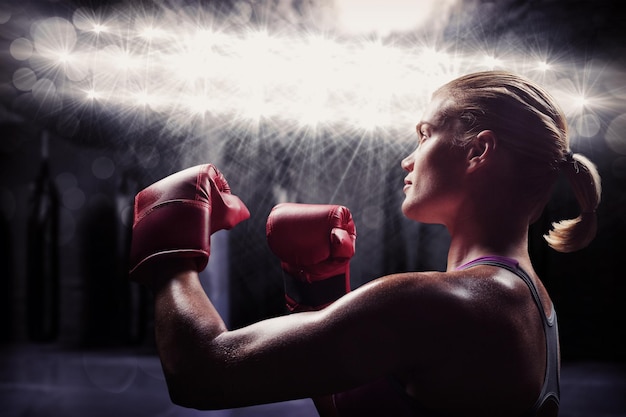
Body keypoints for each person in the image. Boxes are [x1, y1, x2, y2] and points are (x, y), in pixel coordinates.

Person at [128, 70, 602, 417]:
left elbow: (202, 373)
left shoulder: (443, 302)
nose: (407, 159)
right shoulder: (531, 302)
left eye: (425, 134)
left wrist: (170, 251)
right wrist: (316, 294)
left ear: (478, 150)